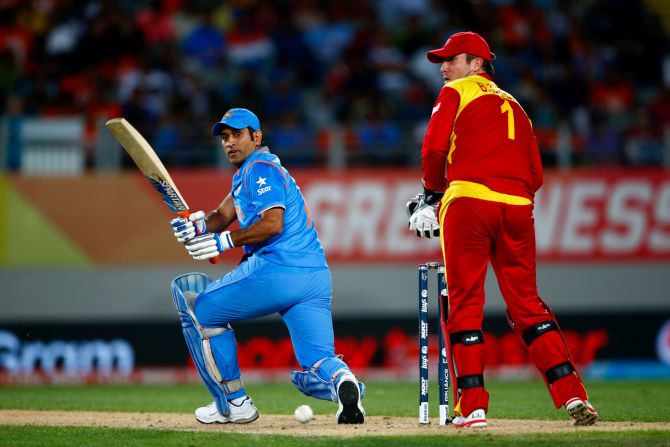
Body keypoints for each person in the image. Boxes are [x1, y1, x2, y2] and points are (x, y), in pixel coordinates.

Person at [407, 32, 598, 428]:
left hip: (469, 201)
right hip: (518, 208)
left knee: (464, 301)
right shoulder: (517, 106)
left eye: (451, 60)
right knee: (527, 303)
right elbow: (536, 176)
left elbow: (433, 149)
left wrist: (430, 195)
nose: (443, 68)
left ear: (477, 64)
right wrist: (506, 193)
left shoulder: (457, 92)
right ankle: (573, 394)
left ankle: (473, 405)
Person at [169, 108, 365, 425]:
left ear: (256, 137)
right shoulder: (250, 173)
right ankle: (346, 385)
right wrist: (198, 227)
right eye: (225, 137)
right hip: (315, 277)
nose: (230, 142)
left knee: (199, 307)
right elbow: (220, 216)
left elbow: (273, 224)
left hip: (279, 270)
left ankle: (234, 404)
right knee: (317, 359)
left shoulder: (259, 169)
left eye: (237, 134)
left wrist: (223, 242)